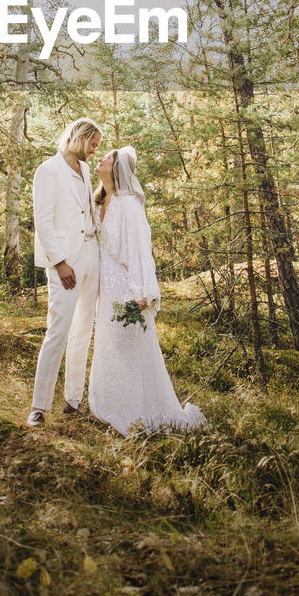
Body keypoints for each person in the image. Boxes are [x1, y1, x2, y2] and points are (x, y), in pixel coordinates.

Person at [88, 146, 207, 436]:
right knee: (109, 345)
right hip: (105, 287)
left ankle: (136, 412)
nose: (100, 159)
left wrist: (144, 294)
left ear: (116, 169)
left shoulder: (129, 204)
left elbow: (142, 251)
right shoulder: (97, 201)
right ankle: (107, 405)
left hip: (127, 286)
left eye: (107, 157)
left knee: (128, 347)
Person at [26, 117, 103, 428]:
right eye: (94, 144)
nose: (96, 151)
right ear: (79, 139)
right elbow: (43, 222)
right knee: (57, 331)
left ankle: (73, 399)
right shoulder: (48, 171)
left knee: (84, 328)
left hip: (91, 257)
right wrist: (59, 262)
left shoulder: (84, 170)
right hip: (65, 263)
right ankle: (38, 408)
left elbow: (89, 209)